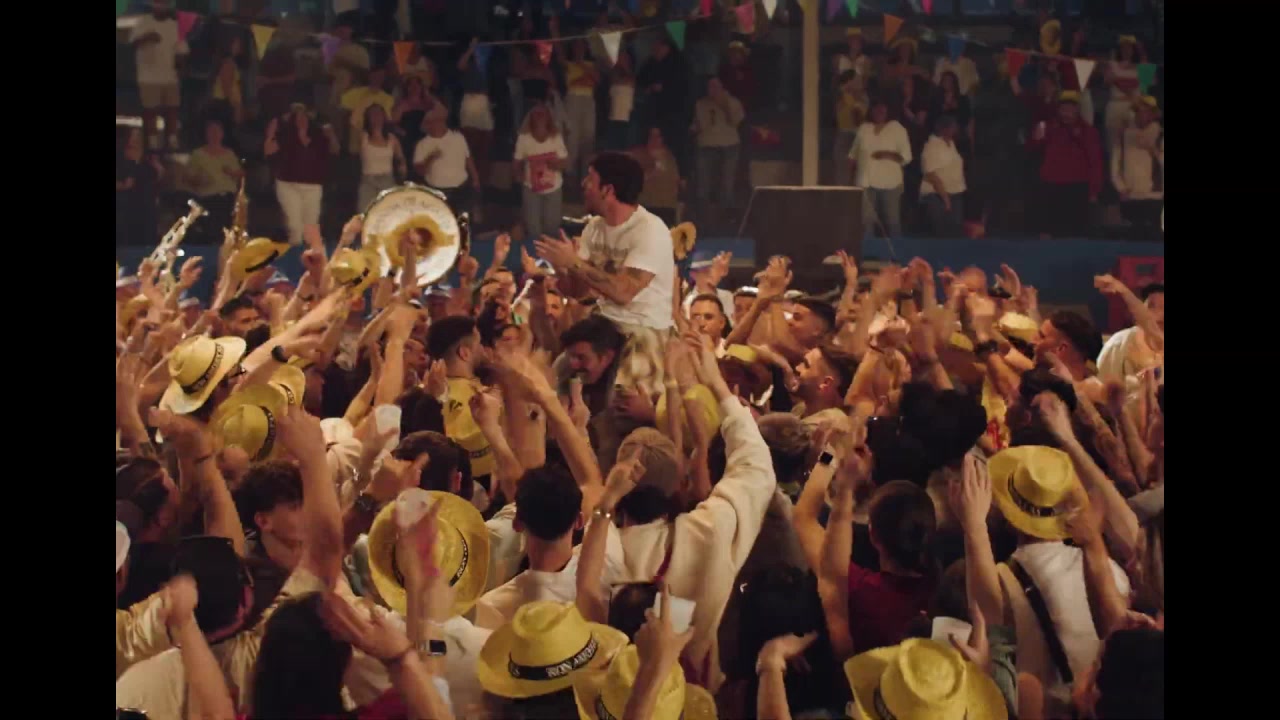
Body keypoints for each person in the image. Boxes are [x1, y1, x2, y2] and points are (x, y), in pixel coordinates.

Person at [534, 152, 675, 335]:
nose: (583, 183)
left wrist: (573, 262)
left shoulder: (650, 230)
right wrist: (562, 267)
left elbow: (623, 293)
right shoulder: (594, 227)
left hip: (644, 327)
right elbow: (578, 292)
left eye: (590, 179)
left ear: (607, 190)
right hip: (606, 322)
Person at [1029, 91, 1102, 239]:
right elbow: (1033, 150)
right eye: (1063, 109)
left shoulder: (1088, 131)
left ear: (1077, 109)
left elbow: (1096, 162)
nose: (1066, 113)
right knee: (1049, 233)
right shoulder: (1048, 126)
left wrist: (1094, 190)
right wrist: (1035, 139)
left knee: (1075, 233)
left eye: (1070, 109)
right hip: (1051, 184)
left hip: (1077, 186)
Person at [264, 104, 338, 246]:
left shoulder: (318, 136)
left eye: (304, 116)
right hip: (288, 185)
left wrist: (331, 135)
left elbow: (334, 150)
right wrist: (270, 134)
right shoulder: (285, 136)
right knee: (294, 226)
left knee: (311, 227)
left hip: (313, 186)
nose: (301, 119)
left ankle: (310, 256)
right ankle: (295, 254)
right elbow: (268, 151)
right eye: (297, 117)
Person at [848, 99, 913, 238]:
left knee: (892, 222)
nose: (879, 111)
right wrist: (850, 180)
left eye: (882, 108)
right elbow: (853, 155)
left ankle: (896, 250)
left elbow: (907, 157)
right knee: (866, 222)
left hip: (890, 184)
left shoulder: (897, 128)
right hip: (865, 183)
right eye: (876, 108)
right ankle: (869, 250)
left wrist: (887, 154)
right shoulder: (864, 129)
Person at [130, 0, 189, 151]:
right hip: (148, 77)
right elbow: (133, 43)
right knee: (151, 111)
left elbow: (181, 51)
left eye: (164, 4)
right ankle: (153, 142)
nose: (161, 6)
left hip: (170, 76)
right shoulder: (143, 22)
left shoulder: (174, 26)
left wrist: (180, 70)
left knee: (172, 110)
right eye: (158, 3)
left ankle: (172, 140)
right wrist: (147, 37)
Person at [513, 104, 570, 245]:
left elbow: (565, 162)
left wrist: (555, 165)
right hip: (531, 189)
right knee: (533, 228)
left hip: (553, 189)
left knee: (552, 227)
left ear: (548, 118)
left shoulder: (556, 137)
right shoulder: (524, 138)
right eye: (537, 114)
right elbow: (517, 161)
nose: (540, 117)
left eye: (542, 114)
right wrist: (519, 176)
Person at [1110, 96, 1164, 237]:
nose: (1142, 115)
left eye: (1147, 111)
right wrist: (1121, 187)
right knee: (1132, 237)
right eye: (1139, 111)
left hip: (1154, 196)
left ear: (1154, 114)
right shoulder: (1124, 135)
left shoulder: (1160, 135)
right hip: (1130, 195)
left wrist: (1154, 150)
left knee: (1153, 236)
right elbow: (1115, 164)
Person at [413, 106, 481, 217]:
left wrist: (475, 178)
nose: (432, 125)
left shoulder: (458, 137)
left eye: (436, 121)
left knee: (462, 220)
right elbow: (419, 171)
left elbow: (468, 158)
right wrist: (430, 158)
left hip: (461, 189)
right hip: (438, 192)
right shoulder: (422, 144)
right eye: (429, 122)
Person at [692, 77, 745, 215]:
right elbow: (701, 125)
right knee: (704, 179)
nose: (713, 90)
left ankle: (727, 210)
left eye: (716, 86)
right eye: (710, 86)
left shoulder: (733, 102)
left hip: (729, 146)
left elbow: (735, 121)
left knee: (727, 181)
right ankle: (704, 210)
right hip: (707, 145)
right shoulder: (701, 104)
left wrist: (724, 105)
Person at [185, 117, 243, 235]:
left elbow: (240, 174)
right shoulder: (198, 154)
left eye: (217, 131)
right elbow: (187, 177)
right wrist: (199, 180)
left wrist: (231, 172)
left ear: (222, 134)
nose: (214, 135)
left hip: (228, 197)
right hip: (208, 198)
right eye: (211, 132)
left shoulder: (229, 154)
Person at [555, 31, 601, 181]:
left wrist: (581, 67)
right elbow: (559, 51)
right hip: (573, 99)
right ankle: (570, 175)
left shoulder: (591, 64)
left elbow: (596, 80)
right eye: (576, 45)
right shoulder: (568, 64)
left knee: (588, 137)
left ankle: (585, 176)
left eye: (582, 46)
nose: (579, 48)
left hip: (588, 100)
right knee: (572, 138)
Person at [117, 127, 165, 247]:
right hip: (125, 203)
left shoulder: (149, 158)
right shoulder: (120, 157)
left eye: (138, 137)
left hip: (146, 203)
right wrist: (123, 185)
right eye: (133, 136)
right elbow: (125, 182)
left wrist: (158, 169)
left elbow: (157, 177)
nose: (135, 140)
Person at [920, 115, 968, 237]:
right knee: (941, 231)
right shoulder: (932, 146)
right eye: (952, 127)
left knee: (955, 231)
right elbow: (931, 174)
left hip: (955, 193)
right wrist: (946, 199)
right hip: (938, 195)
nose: (955, 130)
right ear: (944, 129)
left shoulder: (951, 144)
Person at [356, 103, 405, 211]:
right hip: (368, 181)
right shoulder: (363, 137)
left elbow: (400, 158)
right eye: (372, 114)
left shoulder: (392, 139)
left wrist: (402, 169)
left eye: (379, 114)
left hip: (387, 180)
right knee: (365, 213)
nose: (376, 117)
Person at [1103, 35, 1147, 151]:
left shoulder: (1142, 66)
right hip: (1116, 105)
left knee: (1134, 145)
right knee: (1114, 145)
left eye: (1129, 47)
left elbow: (1145, 87)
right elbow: (1107, 81)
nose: (1126, 50)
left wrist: (1142, 54)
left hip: (1135, 107)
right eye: (1123, 47)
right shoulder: (1112, 64)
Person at [833, 70, 868, 187]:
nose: (859, 82)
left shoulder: (864, 98)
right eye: (856, 80)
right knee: (843, 171)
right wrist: (845, 92)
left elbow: (858, 120)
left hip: (860, 136)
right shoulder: (841, 96)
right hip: (844, 135)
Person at [605, 49, 637, 150]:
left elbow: (631, 81)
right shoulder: (613, 74)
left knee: (625, 145)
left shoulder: (632, 74)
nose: (623, 59)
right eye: (621, 57)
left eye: (625, 57)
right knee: (613, 145)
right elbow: (617, 80)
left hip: (627, 116)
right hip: (615, 115)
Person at [719, 40, 755, 113]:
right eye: (732, 53)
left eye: (737, 53)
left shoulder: (748, 69)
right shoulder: (725, 68)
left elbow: (750, 88)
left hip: (742, 101)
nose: (734, 56)